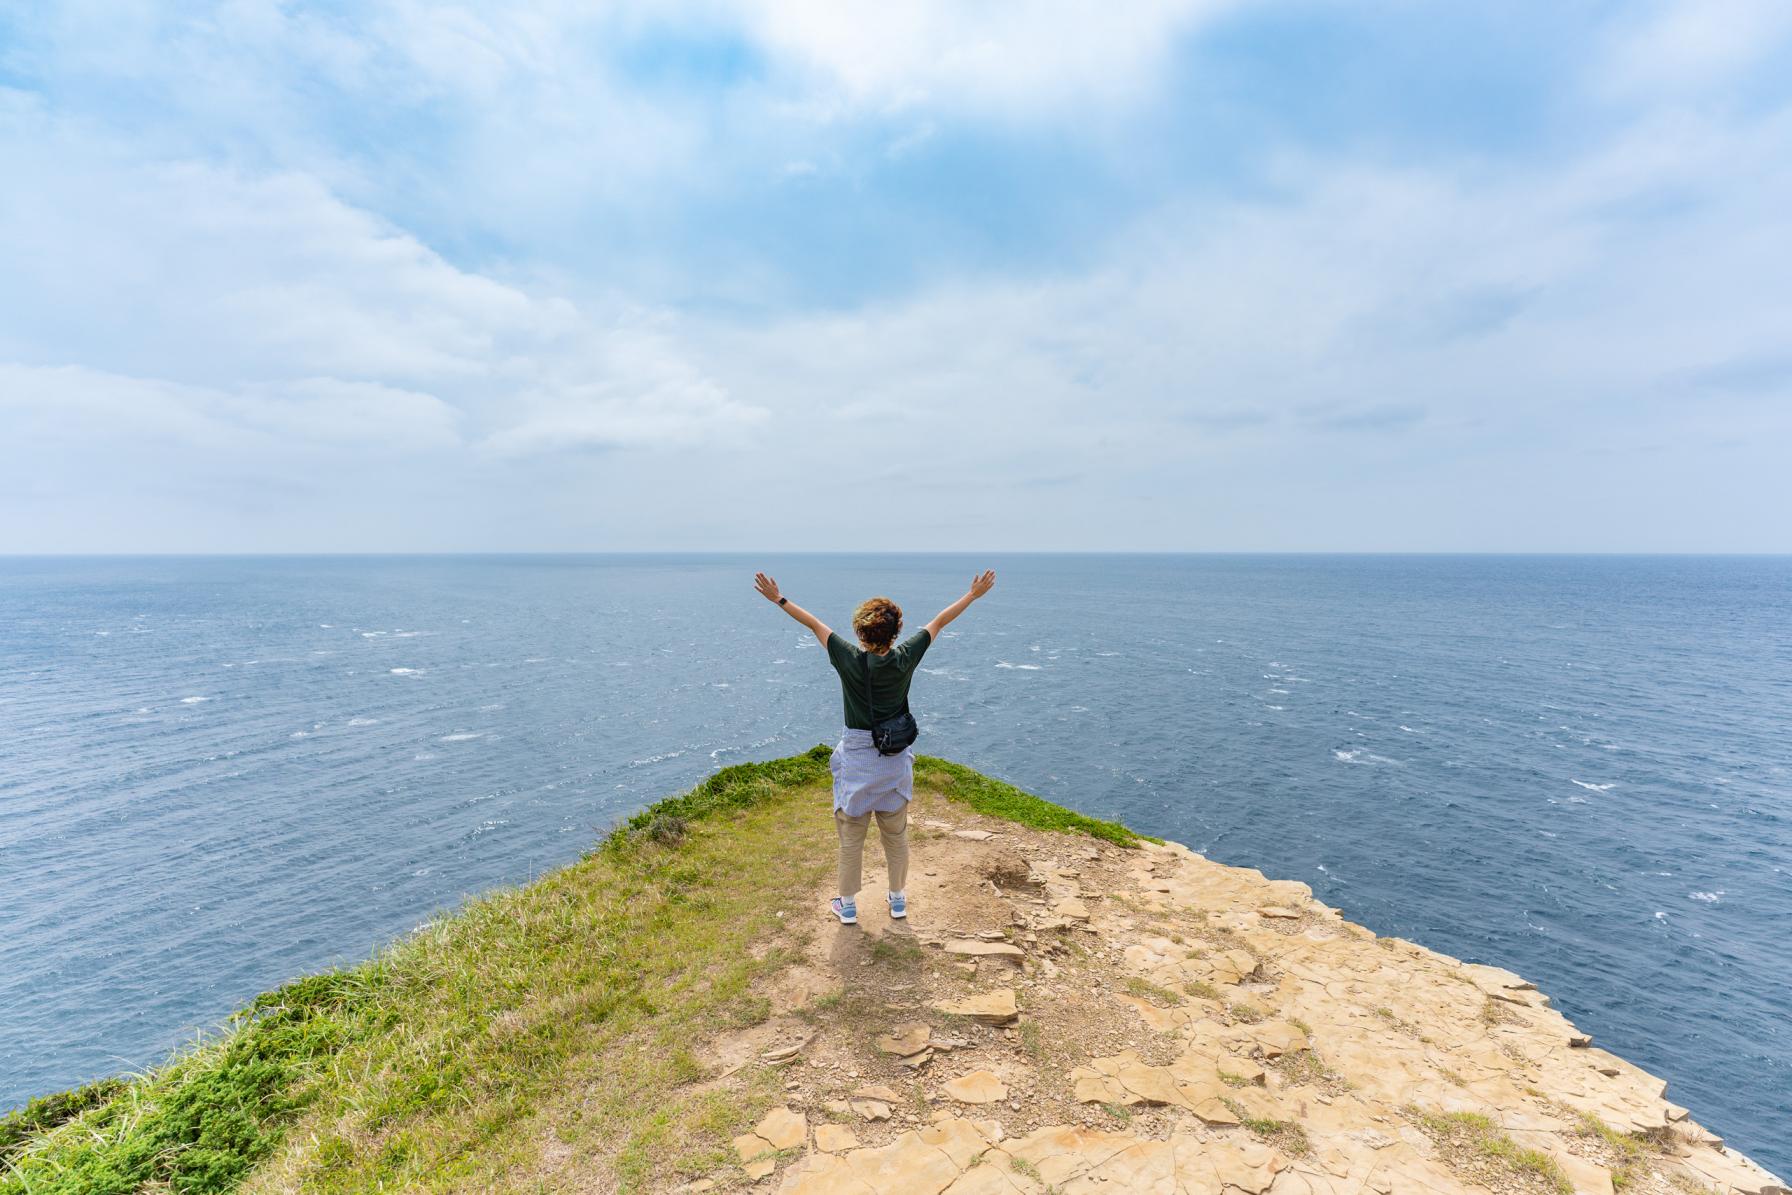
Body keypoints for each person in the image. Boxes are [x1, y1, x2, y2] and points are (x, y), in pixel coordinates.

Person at [753, 569, 997, 925]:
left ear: (859, 632)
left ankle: (848, 906)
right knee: (895, 837)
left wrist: (779, 598)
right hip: (894, 761)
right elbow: (940, 621)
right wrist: (973, 594)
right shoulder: (905, 658)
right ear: (896, 633)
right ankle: (897, 900)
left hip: (857, 761)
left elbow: (813, 624)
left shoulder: (848, 657)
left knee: (852, 839)